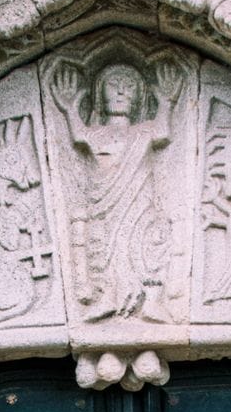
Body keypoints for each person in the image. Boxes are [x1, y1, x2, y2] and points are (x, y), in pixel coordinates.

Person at [50, 59, 182, 321]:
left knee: (144, 249)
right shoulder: (95, 133)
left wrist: (166, 101)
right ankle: (107, 298)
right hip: (103, 203)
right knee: (105, 251)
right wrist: (69, 108)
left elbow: (163, 130)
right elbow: (78, 135)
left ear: (138, 97)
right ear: (101, 93)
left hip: (140, 205)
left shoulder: (144, 131)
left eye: (129, 87)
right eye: (113, 85)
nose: (121, 91)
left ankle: (150, 302)